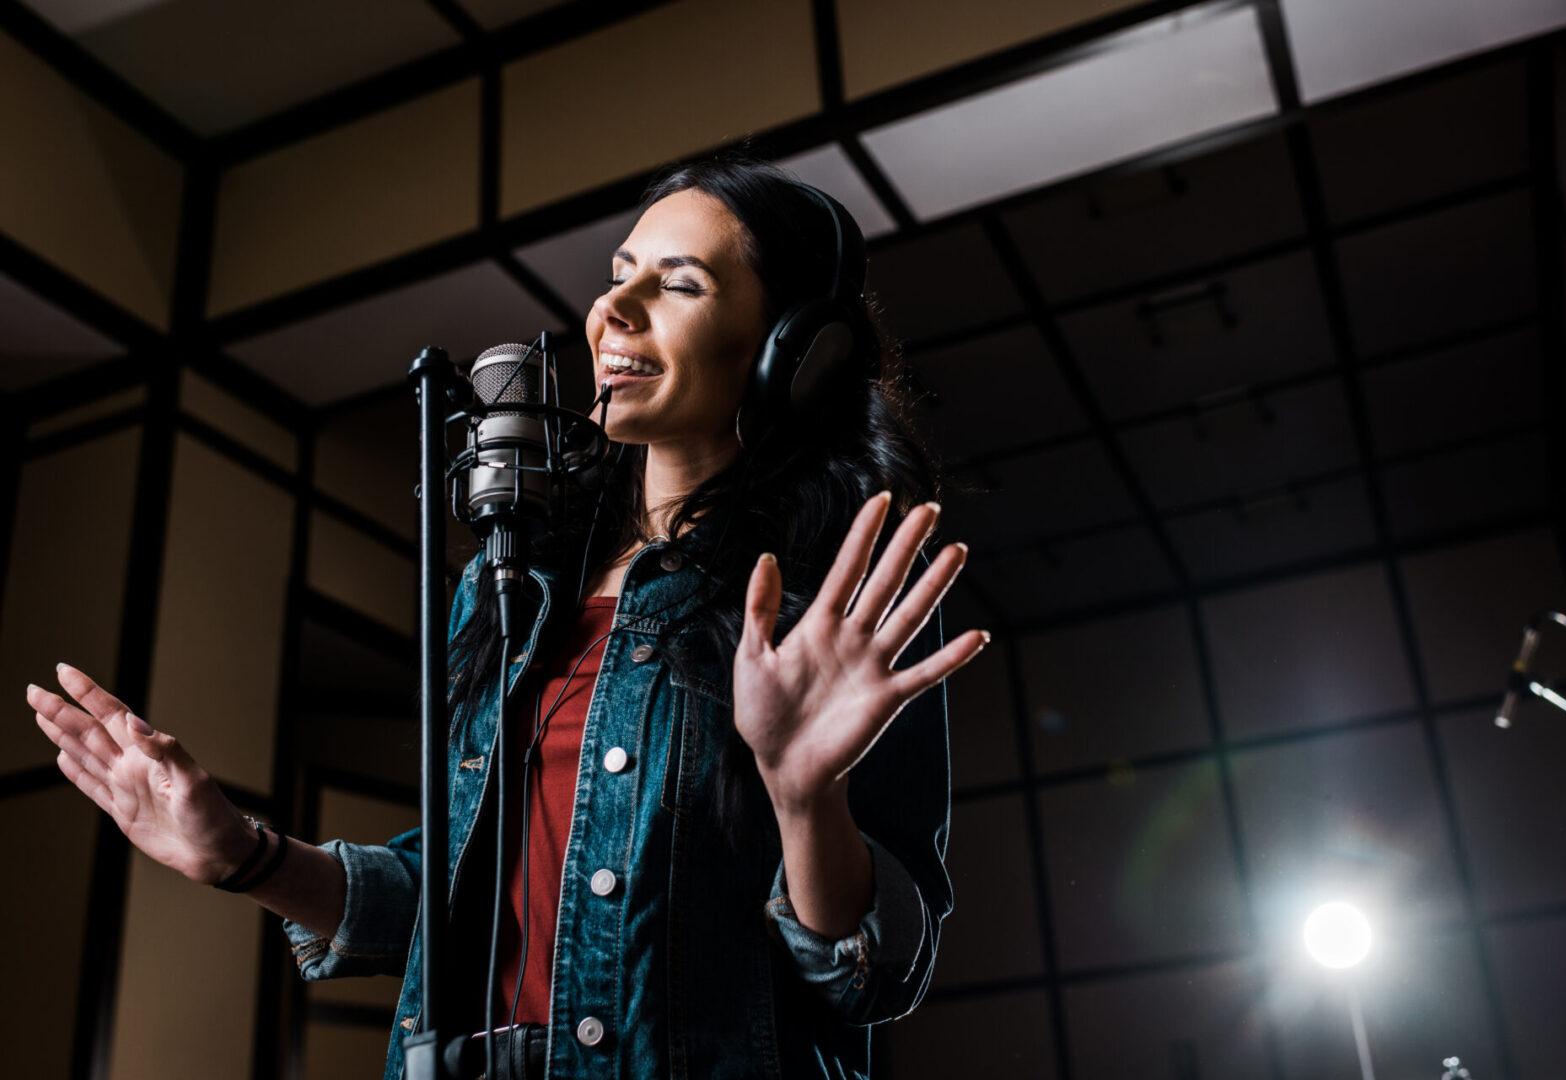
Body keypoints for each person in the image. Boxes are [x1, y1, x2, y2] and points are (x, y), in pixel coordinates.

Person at [27, 157, 988, 1079]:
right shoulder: (514, 585)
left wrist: (801, 790)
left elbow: (874, 972)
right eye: (619, 276)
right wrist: (242, 853)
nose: (613, 308)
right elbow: (468, 906)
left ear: (795, 349)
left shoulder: (842, 607)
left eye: (680, 284)